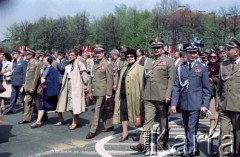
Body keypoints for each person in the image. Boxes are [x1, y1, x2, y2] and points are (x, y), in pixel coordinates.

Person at [130, 38, 175, 152]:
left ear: (162, 48)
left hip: (162, 96)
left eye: (158, 47)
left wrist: (168, 95)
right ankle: (143, 143)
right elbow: (144, 78)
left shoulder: (168, 61)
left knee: (163, 121)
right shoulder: (148, 61)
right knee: (147, 121)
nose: (156, 50)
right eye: (154, 48)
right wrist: (143, 93)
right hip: (149, 95)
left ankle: (162, 142)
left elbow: (171, 80)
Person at [171, 43, 211, 157]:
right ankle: (193, 147)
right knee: (186, 126)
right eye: (191, 53)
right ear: (186, 54)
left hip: (196, 103)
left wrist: (205, 105)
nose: (193, 55)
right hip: (184, 103)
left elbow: (206, 89)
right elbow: (176, 87)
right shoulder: (180, 68)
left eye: (195, 52)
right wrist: (174, 103)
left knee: (191, 127)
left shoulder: (202, 67)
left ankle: (189, 151)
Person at [113, 49, 144, 142]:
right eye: (127, 57)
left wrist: (143, 97)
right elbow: (120, 81)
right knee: (123, 115)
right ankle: (125, 133)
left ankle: (144, 136)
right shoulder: (124, 68)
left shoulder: (140, 68)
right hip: (123, 95)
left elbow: (142, 83)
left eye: (131, 56)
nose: (129, 58)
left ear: (135, 57)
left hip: (135, 96)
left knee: (139, 116)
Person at [217, 38, 240, 156]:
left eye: (230, 49)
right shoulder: (223, 64)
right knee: (224, 132)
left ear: (237, 51)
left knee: (238, 133)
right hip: (225, 105)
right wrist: (218, 103)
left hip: (238, 106)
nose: (227, 51)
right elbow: (219, 87)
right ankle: (223, 154)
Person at [86, 44, 114, 139]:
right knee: (102, 110)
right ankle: (109, 125)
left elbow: (110, 80)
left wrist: (108, 94)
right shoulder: (95, 63)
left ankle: (93, 130)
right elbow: (91, 78)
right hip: (95, 91)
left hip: (102, 91)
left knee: (97, 110)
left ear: (103, 53)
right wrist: (90, 91)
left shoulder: (107, 64)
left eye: (99, 53)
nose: (97, 55)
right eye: (96, 53)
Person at [56, 49, 88, 129]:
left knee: (74, 105)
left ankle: (74, 122)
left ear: (76, 56)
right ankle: (74, 120)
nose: (70, 56)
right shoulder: (68, 64)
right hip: (67, 85)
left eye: (72, 55)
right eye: (69, 55)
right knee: (67, 104)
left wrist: (86, 87)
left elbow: (84, 76)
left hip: (76, 86)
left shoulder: (80, 64)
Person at [31, 56, 59, 128]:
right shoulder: (45, 68)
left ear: (48, 61)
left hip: (50, 92)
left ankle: (62, 119)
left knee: (57, 107)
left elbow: (55, 82)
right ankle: (38, 122)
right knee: (41, 106)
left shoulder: (53, 70)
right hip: (44, 91)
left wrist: (45, 81)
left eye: (44, 60)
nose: (43, 61)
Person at [18, 50, 41, 124]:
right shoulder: (28, 63)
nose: (26, 55)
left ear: (31, 55)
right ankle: (26, 119)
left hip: (34, 87)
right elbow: (28, 76)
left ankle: (43, 116)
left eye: (27, 54)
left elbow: (36, 77)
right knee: (27, 102)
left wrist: (33, 87)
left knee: (37, 103)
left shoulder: (36, 63)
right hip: (28, 87)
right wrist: (25, 84)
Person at [4, 50, 27, 115]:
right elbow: (13, 71)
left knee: (22, 97)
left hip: (20, 82)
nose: (12, 56)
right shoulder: (14, 61)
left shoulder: (23, 61)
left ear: (18, 55)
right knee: (13, 97)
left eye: (13, 55)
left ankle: (26, 110)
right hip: (14, 82)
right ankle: (11, 109)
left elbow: (25, 73)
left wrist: (24, 82)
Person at [207, 51, 220, 137]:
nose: (212, 58)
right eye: (211, 56)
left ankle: (212, 128)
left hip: (215, 91)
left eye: (214, 57)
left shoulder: (219, 66)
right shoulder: (206, 66)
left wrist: (213, 79)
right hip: (205, 91)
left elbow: (222, 79)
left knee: (213, 110)